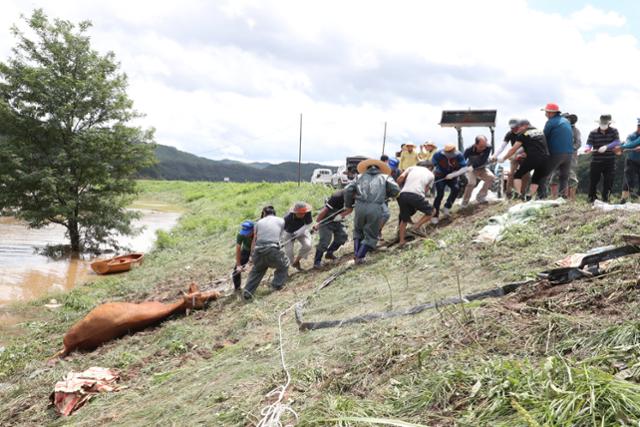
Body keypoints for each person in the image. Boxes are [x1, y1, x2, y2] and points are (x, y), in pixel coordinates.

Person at [344, 158, 400, 264]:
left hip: (359, 206)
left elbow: (347, 189)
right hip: (375, 207)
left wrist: (348, 205)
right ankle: (359, 257)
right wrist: (386, 194)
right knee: (371, 234)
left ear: (367, 168)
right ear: (380, 169)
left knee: (358, 231)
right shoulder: (385, 177)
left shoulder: (359, 177)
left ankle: (356, 254)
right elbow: (396, 190)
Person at [243, 206, 289, 300]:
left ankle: (247, 292)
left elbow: (254, 240)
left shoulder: (258, 223)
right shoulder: (281, 220)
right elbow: (280, 238)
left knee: (257, 270)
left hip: (258, 251)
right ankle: (276, 285)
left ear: (264, 214)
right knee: (285, 264)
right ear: (274, 213)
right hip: (272, 250)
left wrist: (252, 255)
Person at [498, 119, 550, 200]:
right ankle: (529, 196)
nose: (519, 129)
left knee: (517, 175)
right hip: (545, 158)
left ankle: (518, 194)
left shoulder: (523, 134)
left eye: (520, 127)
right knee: (536, 178)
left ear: (525, 126)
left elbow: (513, 149)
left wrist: (504, 158)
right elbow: (537, 144)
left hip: (533, 157)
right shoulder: (540, 132)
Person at [396, 161, 434, 247]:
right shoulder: (431, 174)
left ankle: (402, 241)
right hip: (416, 194)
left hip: (403, 194)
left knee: (404, 218)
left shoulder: (411, 168)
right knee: (432, 211)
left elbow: (400, 178)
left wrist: (397, 188)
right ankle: (415, 227)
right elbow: (426, 190)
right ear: (430, 168)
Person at [431, 144, 471, 223]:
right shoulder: (438, 154)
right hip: (440, 176)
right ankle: (435, 215)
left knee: (456, 189)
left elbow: (464, 168)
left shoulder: (459, 155)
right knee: (440, 194)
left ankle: (447, 207)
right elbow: (433, 165)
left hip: (452, 176)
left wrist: (453, 174)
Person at [586, 114, 621, 203]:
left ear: (609, 124)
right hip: (596, 160)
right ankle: (591, 198)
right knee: (593, 180)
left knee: (608, 180)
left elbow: (617, 142)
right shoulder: (593, 132)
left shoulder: (614, 131)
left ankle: (606, 198)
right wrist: (587, 148)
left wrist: (607, 146)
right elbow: (589, 143)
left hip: (610, 160)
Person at [541, 103, 573, 198]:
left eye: (546, 112)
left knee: (543, 175)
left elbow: (543, 137)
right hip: (569, 154)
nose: (545, 114)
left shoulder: (550, 122)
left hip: (556, 153)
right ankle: (563, 197)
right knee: (564, 177)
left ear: (551, 113)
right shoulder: (566, 121)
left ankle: (542, 197)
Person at [492, 118, 530, 198]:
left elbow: (526, 146)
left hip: (525, 154)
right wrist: (495, 155)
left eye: (515, 128)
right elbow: (503, 146)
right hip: (514, 153)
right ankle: (508, 194)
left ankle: (522, 194)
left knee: (526, 174)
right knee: (511, 173)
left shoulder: (525, 133)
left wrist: (510, 155)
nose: (513, 130)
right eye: (512, 128)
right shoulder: (510, 134)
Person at [312, 190, 350, 268]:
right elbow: (325, 210)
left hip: (338, 218)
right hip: (327, 217)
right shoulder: (337, 196)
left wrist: (341, 215)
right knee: (325, 240)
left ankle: (329, 253)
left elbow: (350, 209)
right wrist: (317, 223)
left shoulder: (354, 197)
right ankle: (317, 261)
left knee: (342, 236)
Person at [549, 113, 581, 200]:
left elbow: (578, 143)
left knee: (571, 177)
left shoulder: (575, 130)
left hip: (570, 157)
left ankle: (571, 199)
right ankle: (554, 198)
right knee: (555, 176)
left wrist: (570, 148)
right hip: (557, 156)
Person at [462, 135, 494, 207]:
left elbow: (483, 161)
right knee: (472, 183)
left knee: (491, 177)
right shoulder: (468, 150)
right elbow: (462, 161)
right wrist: (463, 168)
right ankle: (465, 202)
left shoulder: (488, 147)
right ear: (475, 144)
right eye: (481, 146)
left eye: (484, 146)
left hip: (481, 168)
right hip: (470, 169)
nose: (483, 148)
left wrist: (473, 167)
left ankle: (480, 197)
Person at [283, 202, 313, 270]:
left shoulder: (307, 213)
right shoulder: (287, 218)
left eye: (303, 213)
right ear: (295, 212)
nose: (302, 215)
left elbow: (308, 223)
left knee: (308, 245)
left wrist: (300, 231)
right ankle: (291, 264)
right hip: (289, 233)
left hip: (302, 230)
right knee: (289, 251)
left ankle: (296, 261)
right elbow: (282, 229)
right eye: (300, 213)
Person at [620, 118, 640, 203]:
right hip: (631, 160)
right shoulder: (631, 136)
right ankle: (624, 199)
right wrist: (632, 146)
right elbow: (627, 144)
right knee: (628, 179)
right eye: (639, 126)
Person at [232, 220, 254, 291]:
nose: (245, 235)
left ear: (253, 229)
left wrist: (251, 261)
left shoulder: (258, 232)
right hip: (246, 251)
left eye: (247, 233)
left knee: (255, 269)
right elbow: (238, 249)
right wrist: (238, 265)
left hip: (258, 250)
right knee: (236, 271)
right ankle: (237, 288)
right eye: (244, 233)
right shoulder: (240, 235)